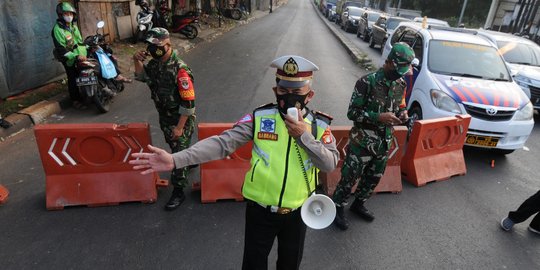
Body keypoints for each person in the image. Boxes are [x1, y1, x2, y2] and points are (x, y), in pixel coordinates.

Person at [130, 55, 339, 269]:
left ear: (309, 95)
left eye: (297, 92)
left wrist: (304, 137)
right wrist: (175, 160)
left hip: (298, 214)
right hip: (260, 211)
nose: (289, 97)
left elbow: (329, 163)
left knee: (289, 264)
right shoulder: (260, 117)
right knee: (253, 264)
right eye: (284, 91)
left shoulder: (319, 126)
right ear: (276, 91)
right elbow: (222, 143)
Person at [332, 42, 415, 231]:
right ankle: (337, 206)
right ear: (390, 63)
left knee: (373, 177)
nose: (402, 73)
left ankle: (359, 203)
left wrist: (403, 114)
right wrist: (378, 117)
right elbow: (352, 113)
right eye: (400, 68)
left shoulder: (400, 84)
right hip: (362, 142)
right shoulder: (366, 82)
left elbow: (400, 105)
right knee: (349, 177)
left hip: (384, 142)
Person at [132, 28, 197, 211]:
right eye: (151, 45)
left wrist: (179, 127)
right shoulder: (154, 65)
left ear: (168, 44)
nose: (153, 49)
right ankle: (190, 159)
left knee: (177, 153)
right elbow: (141, 76)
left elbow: (189, 103)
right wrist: (136, 60)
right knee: (176, 146)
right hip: (165, 117)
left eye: (157, 45)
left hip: (180, 119)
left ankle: (178, 191)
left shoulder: (180, 70)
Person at [51, 2, 88, 109]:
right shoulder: (57, 30)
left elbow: (79, 41)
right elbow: (61, 49)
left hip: (80, 55)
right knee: (73, 78)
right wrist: (75, 56)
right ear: (60, 15)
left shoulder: (73, 27)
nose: (69, 16)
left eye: (71, 14)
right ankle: (75, 100)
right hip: (68, 58)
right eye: (66, 14)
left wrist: (87, 48)